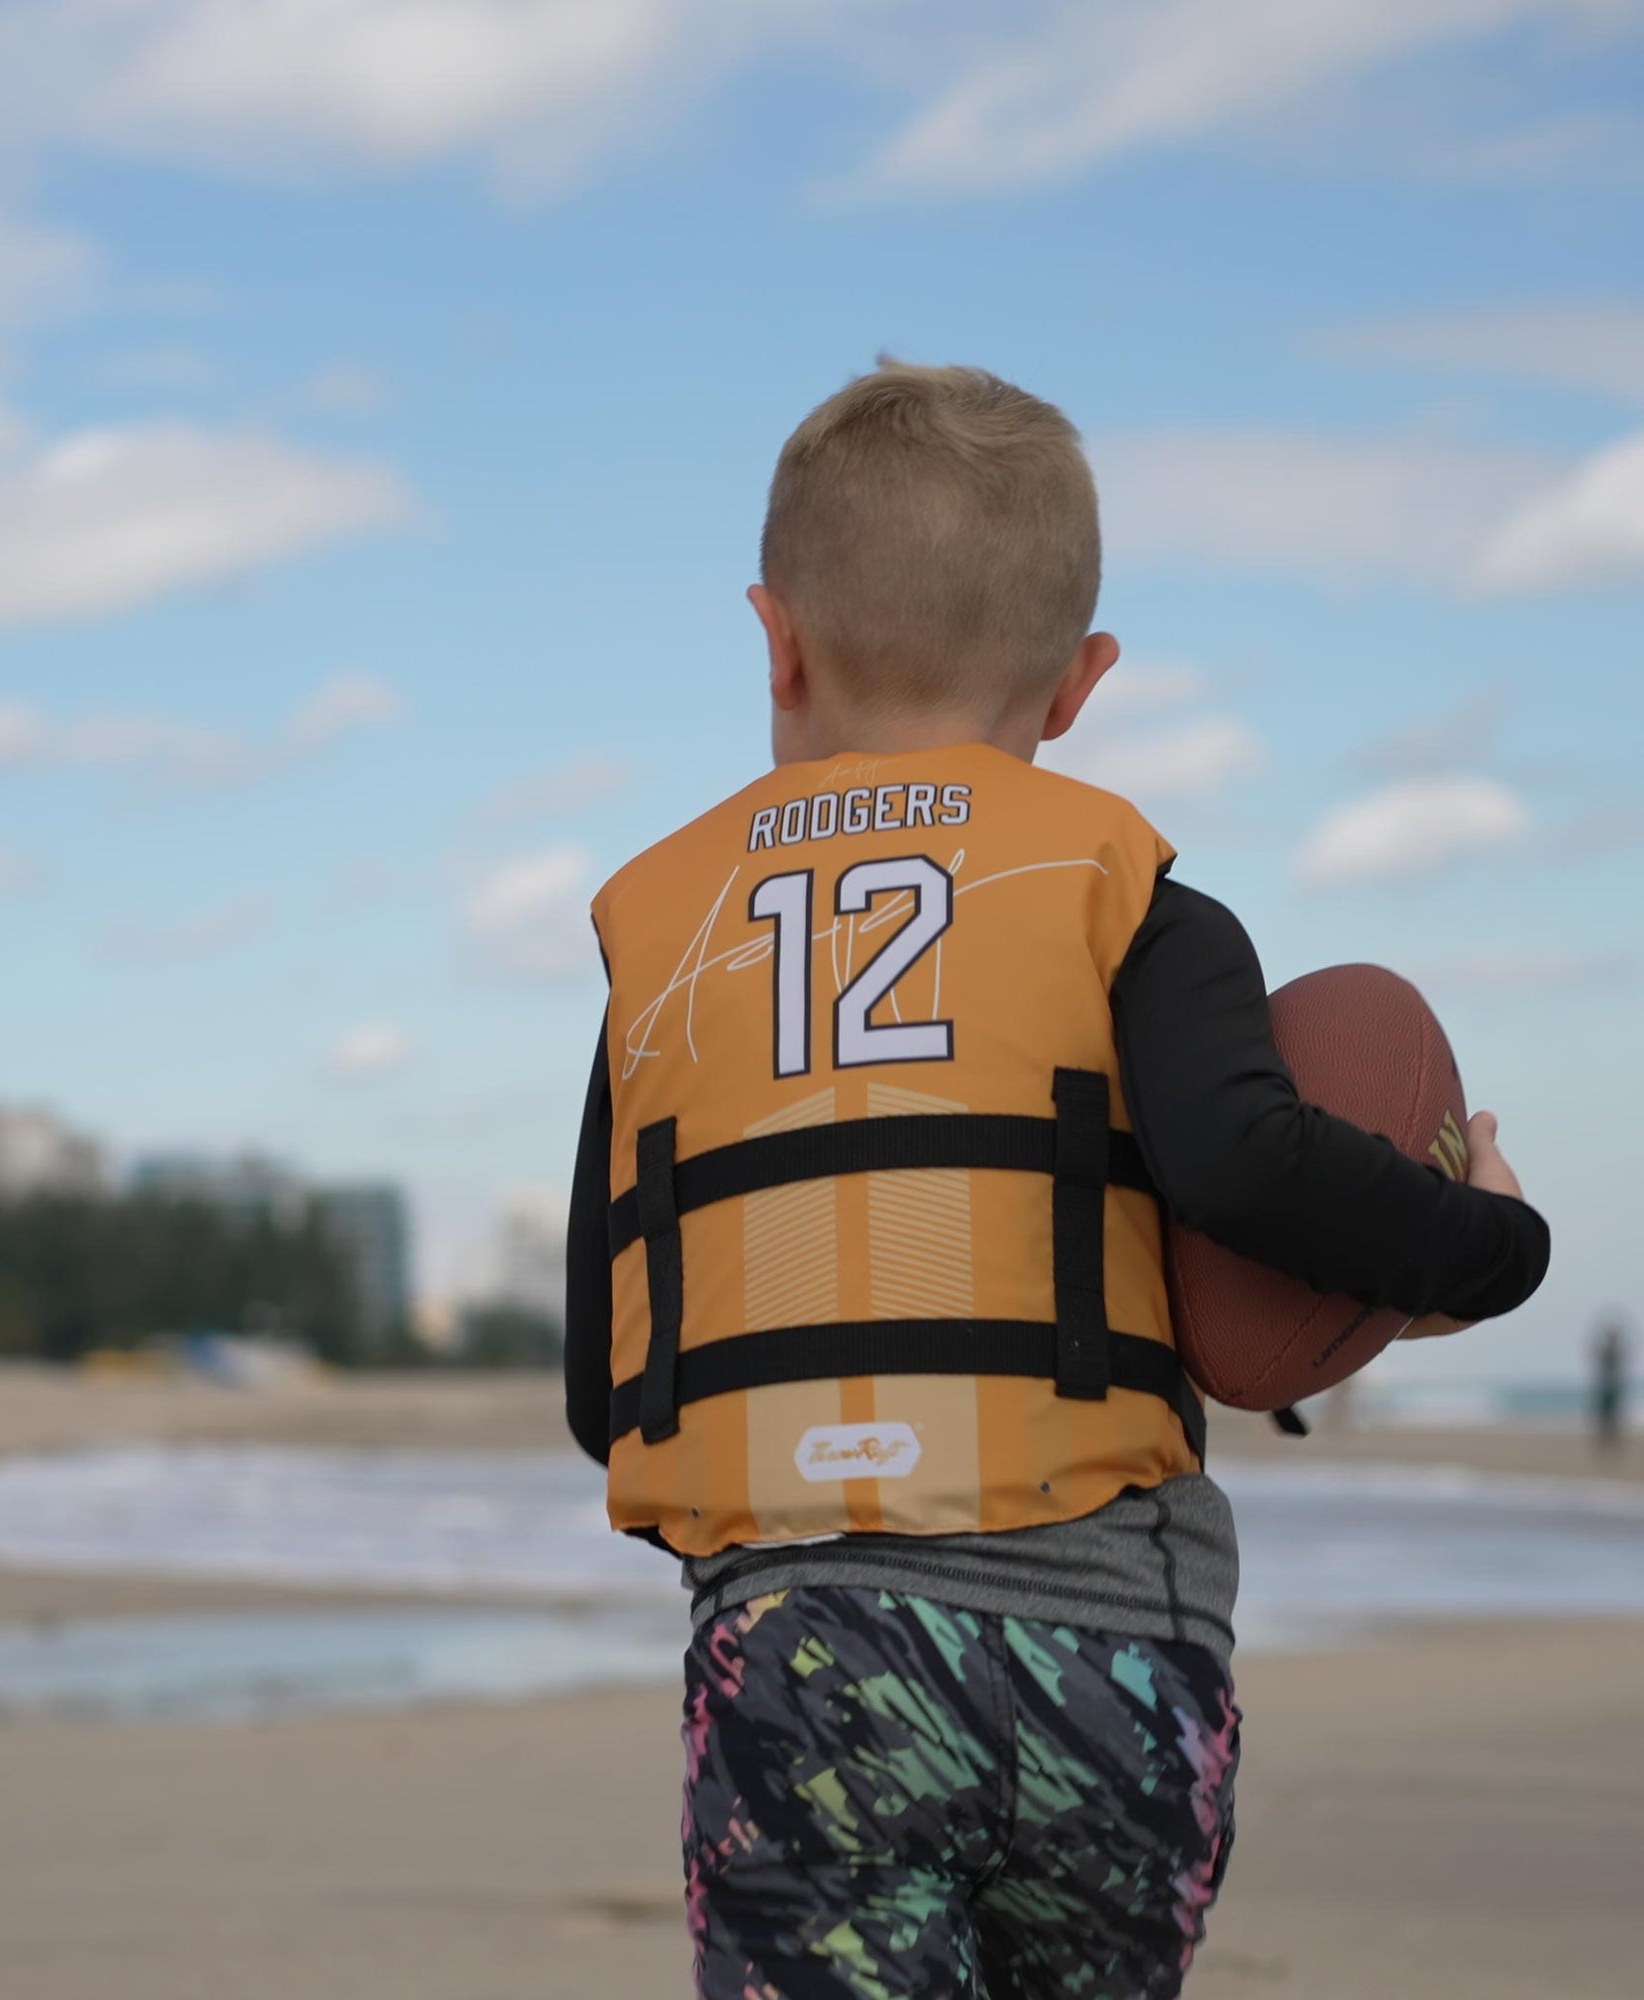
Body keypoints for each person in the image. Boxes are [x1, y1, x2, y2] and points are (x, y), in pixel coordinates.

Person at [563, 361, 1550, 2000]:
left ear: (776, 636)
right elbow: (1248, 1166)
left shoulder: (662, 943)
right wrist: (1487, 1248)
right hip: (1114, 1652)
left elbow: (610, 1389)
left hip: (804, 1659)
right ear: (1082, 682)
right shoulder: (1139, 901)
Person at [1592, 1316, 1628, 1457]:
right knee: (1604, 1418)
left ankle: (1612, 1443)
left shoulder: (1616, 1351)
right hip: (1605, 1389)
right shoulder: (1606, 1351)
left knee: (1613, 1418)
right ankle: (1604, 1443)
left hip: (1613, 1389)